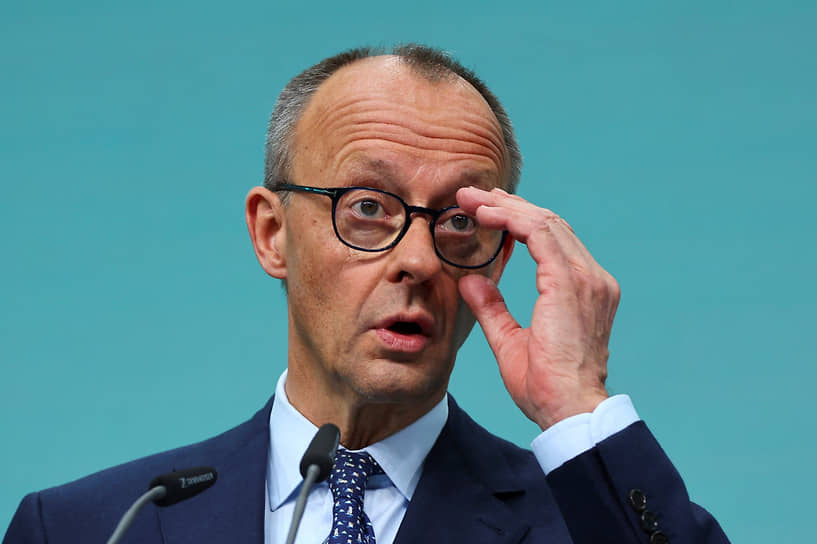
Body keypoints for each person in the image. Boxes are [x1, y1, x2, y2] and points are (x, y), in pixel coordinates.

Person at [4, 44, 730, 544]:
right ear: (272, 234)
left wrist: (575, 404)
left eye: (458, 222)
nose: (417, 259)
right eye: (368, 208)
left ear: (498, 258)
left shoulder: (584, 522)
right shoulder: (96, 526)